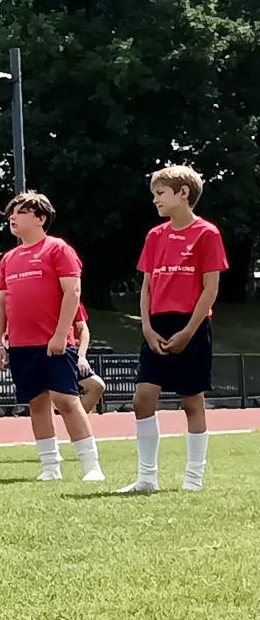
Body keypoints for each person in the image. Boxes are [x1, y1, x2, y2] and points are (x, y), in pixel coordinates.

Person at [121, 165, 228, 494]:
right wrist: (147, 327)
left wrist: (189, 332)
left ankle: (193, 479)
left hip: (191, 324)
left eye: (160, 193)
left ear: (183, 193)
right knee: (142, 399)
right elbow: (147, 286)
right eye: (154, 194)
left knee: (192, 402)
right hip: (157, 324)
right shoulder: (155, 235)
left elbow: (210, 288)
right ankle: (146, 478)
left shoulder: (207, 233)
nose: (155, 200)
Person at [0, 191, 106, 484]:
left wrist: (59, 335)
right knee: (36, 403)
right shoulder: (9, 259)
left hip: (54, 344)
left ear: (40, 218)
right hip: (20, 344)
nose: (12, 217)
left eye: (20, 212)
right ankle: (50, 466)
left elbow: (72, 292)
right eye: (11, 213)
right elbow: (1, 302)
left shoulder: (58, 249)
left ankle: (91, 465)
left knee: (67, 400)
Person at [72, 304, 106, 415]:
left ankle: (76, 421)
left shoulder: (74, 301)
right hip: (48, 354)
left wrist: (81, 356)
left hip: (71, 354)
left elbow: (83, 329)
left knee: (96, 386)